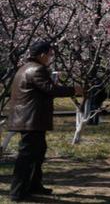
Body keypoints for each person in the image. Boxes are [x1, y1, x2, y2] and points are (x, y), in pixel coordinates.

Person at [7, 40, 82, 202]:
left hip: (29, 119)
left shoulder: (25, 68)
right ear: (42, 55)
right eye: (49, 54)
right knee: (27, 156)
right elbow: (50, 89)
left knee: (37, 153)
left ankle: (34, 185)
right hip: (30, 120)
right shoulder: (37, 69)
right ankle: (18, 191)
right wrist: (73, 90)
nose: (50, 57)